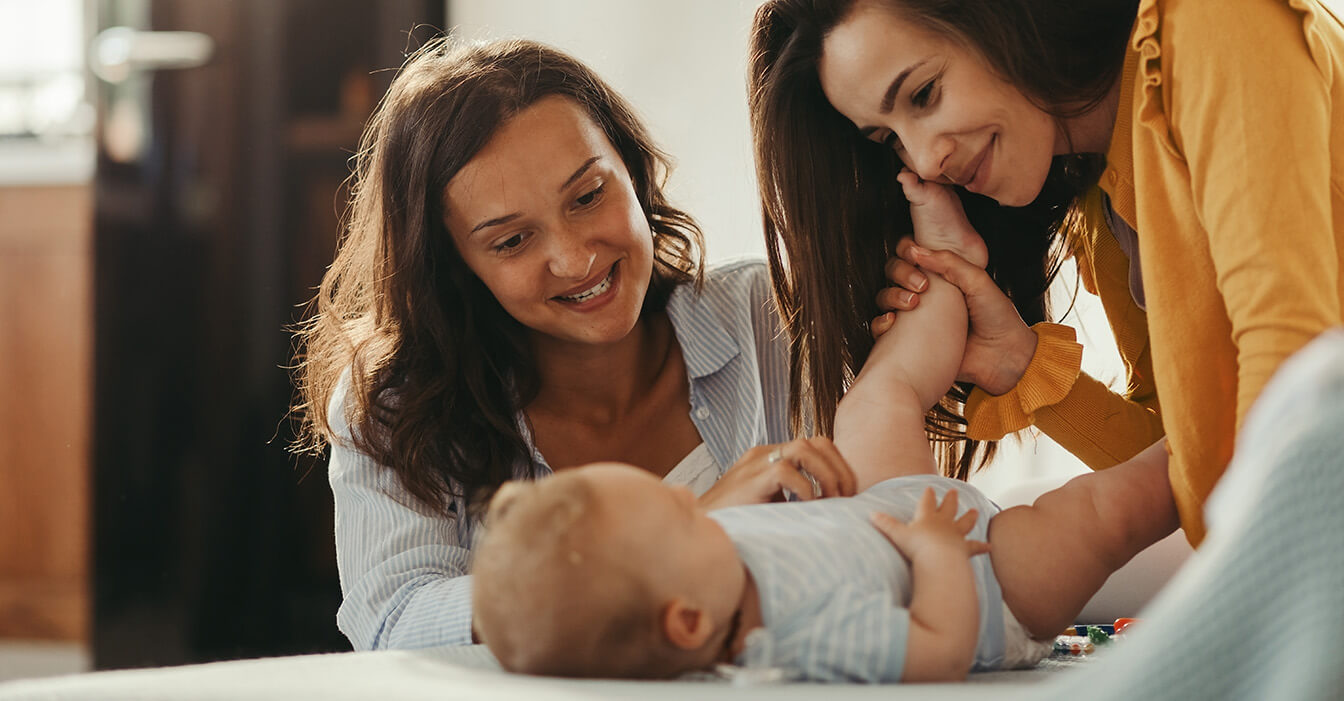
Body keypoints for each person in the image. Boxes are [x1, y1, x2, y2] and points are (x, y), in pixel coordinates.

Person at [471, 176, 1178, 682]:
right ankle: (1220, 440)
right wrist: (936, 555)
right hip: (982, 575)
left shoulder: (698, 566)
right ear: (689, 622)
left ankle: (948, 264)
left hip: (882, 508)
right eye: (687, 519)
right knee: (1101, 511)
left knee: (874, 402)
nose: (705, 508)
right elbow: (938, 651)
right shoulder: (798, 637)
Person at [289, 37, 856, 651]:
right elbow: (396, 625)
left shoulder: (770, 316)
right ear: (456, 266)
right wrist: (690, 530)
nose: (575, 258)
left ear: (632, 171)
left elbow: (888, 536)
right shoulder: (400, 402)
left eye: (588, 197)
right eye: (511, 241)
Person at [748, 0, 1344, 545]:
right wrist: (1018, 361)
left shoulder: (1215, 22)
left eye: (925, 93)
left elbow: (1294, 365)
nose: (926, 159)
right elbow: (1197, 473)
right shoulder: (1103, 204)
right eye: (890, 141)